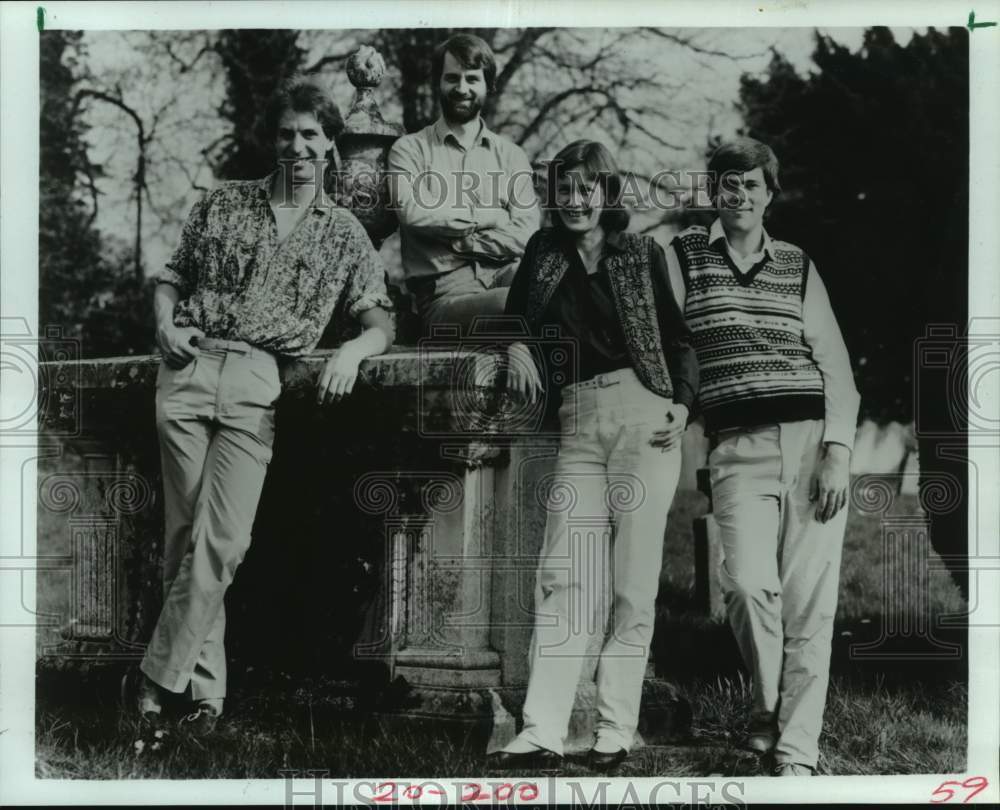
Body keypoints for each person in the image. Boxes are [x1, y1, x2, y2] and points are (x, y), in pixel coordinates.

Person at [122, 76, 395, 735]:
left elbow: (379, 318)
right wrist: (165, 326)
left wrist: (353, 354)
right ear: (269, 140)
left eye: (309, 135)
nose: (295, 146)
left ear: (330, 144)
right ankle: (206, 701)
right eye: (285, 134)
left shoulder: (344, 234)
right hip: (187, 369)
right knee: (184, 540)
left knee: (226, 540)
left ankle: (155, 681)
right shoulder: (224, 203)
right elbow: (170, 278)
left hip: (256, 382)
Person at [490, 140, 698, 771]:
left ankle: (614, 729)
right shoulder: (543, 252)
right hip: (577, 419)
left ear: (607, 194)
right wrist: (517, 348)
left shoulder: (640, 253)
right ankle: (542, 730)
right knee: (564, 573)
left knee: (633, 582)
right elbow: (515, 321)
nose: (575, 199)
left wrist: (683, 406)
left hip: (645, 416)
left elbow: (678, 339)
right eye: (565, 188)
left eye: (587, 188)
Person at [665, 138, 860, 776]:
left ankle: (797, 750)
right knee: (746, 586)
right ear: (712, 192)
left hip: (809, 445)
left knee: (809, 603)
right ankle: (770, 704)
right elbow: (654, 323)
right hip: (735, 449)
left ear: (769, 194)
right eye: (726, 184)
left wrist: (837, 451)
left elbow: (837, 369)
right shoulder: (686, 255)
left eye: (751, 185)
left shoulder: (798, 265)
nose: (739, 195)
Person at [388, 33, 539, 333]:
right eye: (452, 78)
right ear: (438, 83)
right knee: (517, 303)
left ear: (488, 85)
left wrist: (466, 241)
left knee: (559, 288)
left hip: (507, 273)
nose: (462, 89)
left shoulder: (510, 156)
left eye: (472, 79)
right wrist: (491, 217)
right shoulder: (409, 150)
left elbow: (527, 234)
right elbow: (412, 212)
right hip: (445, 295)